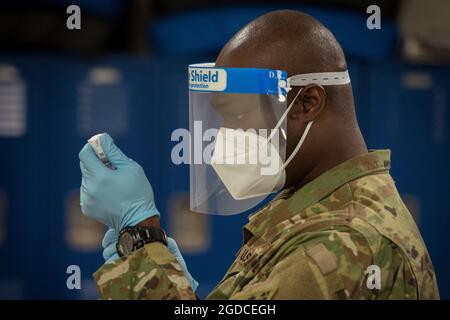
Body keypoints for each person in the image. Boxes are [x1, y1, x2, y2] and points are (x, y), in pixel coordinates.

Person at [79, 10, 439, 299]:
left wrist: (140, 237)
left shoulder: (344, 243)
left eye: (237, 115)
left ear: (308, 102)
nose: (222, 139)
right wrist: (161, 274)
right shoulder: (320, 210)